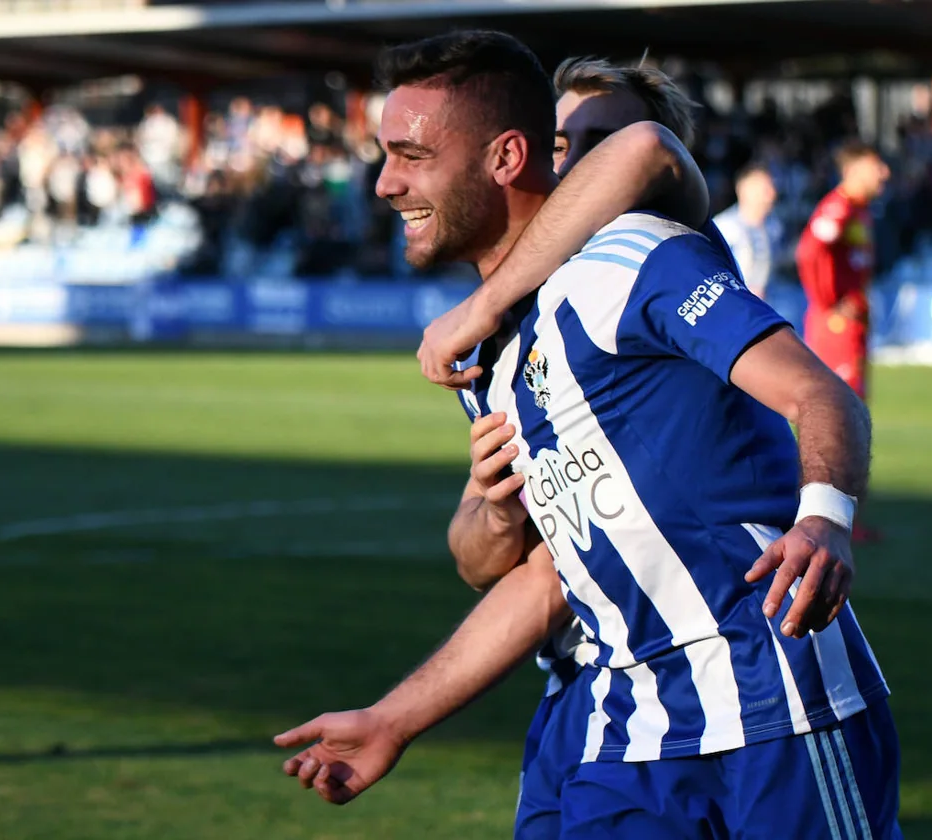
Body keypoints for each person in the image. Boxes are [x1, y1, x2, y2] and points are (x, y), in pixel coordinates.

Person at [277, 33, 899, 839]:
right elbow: (543, 576)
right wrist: (396, 717)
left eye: (408, 155)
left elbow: (824, 397)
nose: (385, 184)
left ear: (505, 156)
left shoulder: (634, 255)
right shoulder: (493, 358)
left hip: (772, 691)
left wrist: (824, 517)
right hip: (625, 718)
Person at [795, 141, 890, 546]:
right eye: (875, 166)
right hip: (836, 327)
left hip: (851, 325)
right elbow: (809, 251)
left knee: (851, 415)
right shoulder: (837, 209)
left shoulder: (858, 210)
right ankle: (824, 517)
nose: (884, 173)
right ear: (854, 170)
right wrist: (830, 301)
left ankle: (846, 518)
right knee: (838, 416)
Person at [713, 162, 780, 300]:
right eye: (764, 189)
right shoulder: (725, 227)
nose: (771, 194)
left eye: (772, 187)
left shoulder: (774, 226)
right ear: (744, 190)